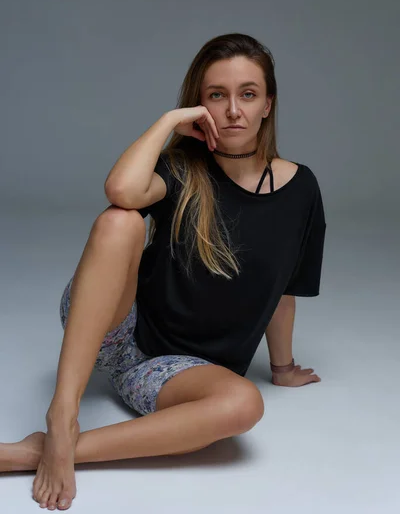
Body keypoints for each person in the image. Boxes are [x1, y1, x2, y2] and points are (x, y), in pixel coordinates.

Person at [0, 33, 326, 510]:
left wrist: (281, 367)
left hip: (173, 374)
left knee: (244, 405)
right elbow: (121, 189)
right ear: (201, 106)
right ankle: (62, 414)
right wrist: (169, 121)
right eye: (217, 95)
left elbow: (285, 286)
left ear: (267, 105)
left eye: (248, 94)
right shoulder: (181, 169)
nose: (233, 109)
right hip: (115, 327)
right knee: (118, 222)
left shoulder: (302, 189)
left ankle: (38, 452)